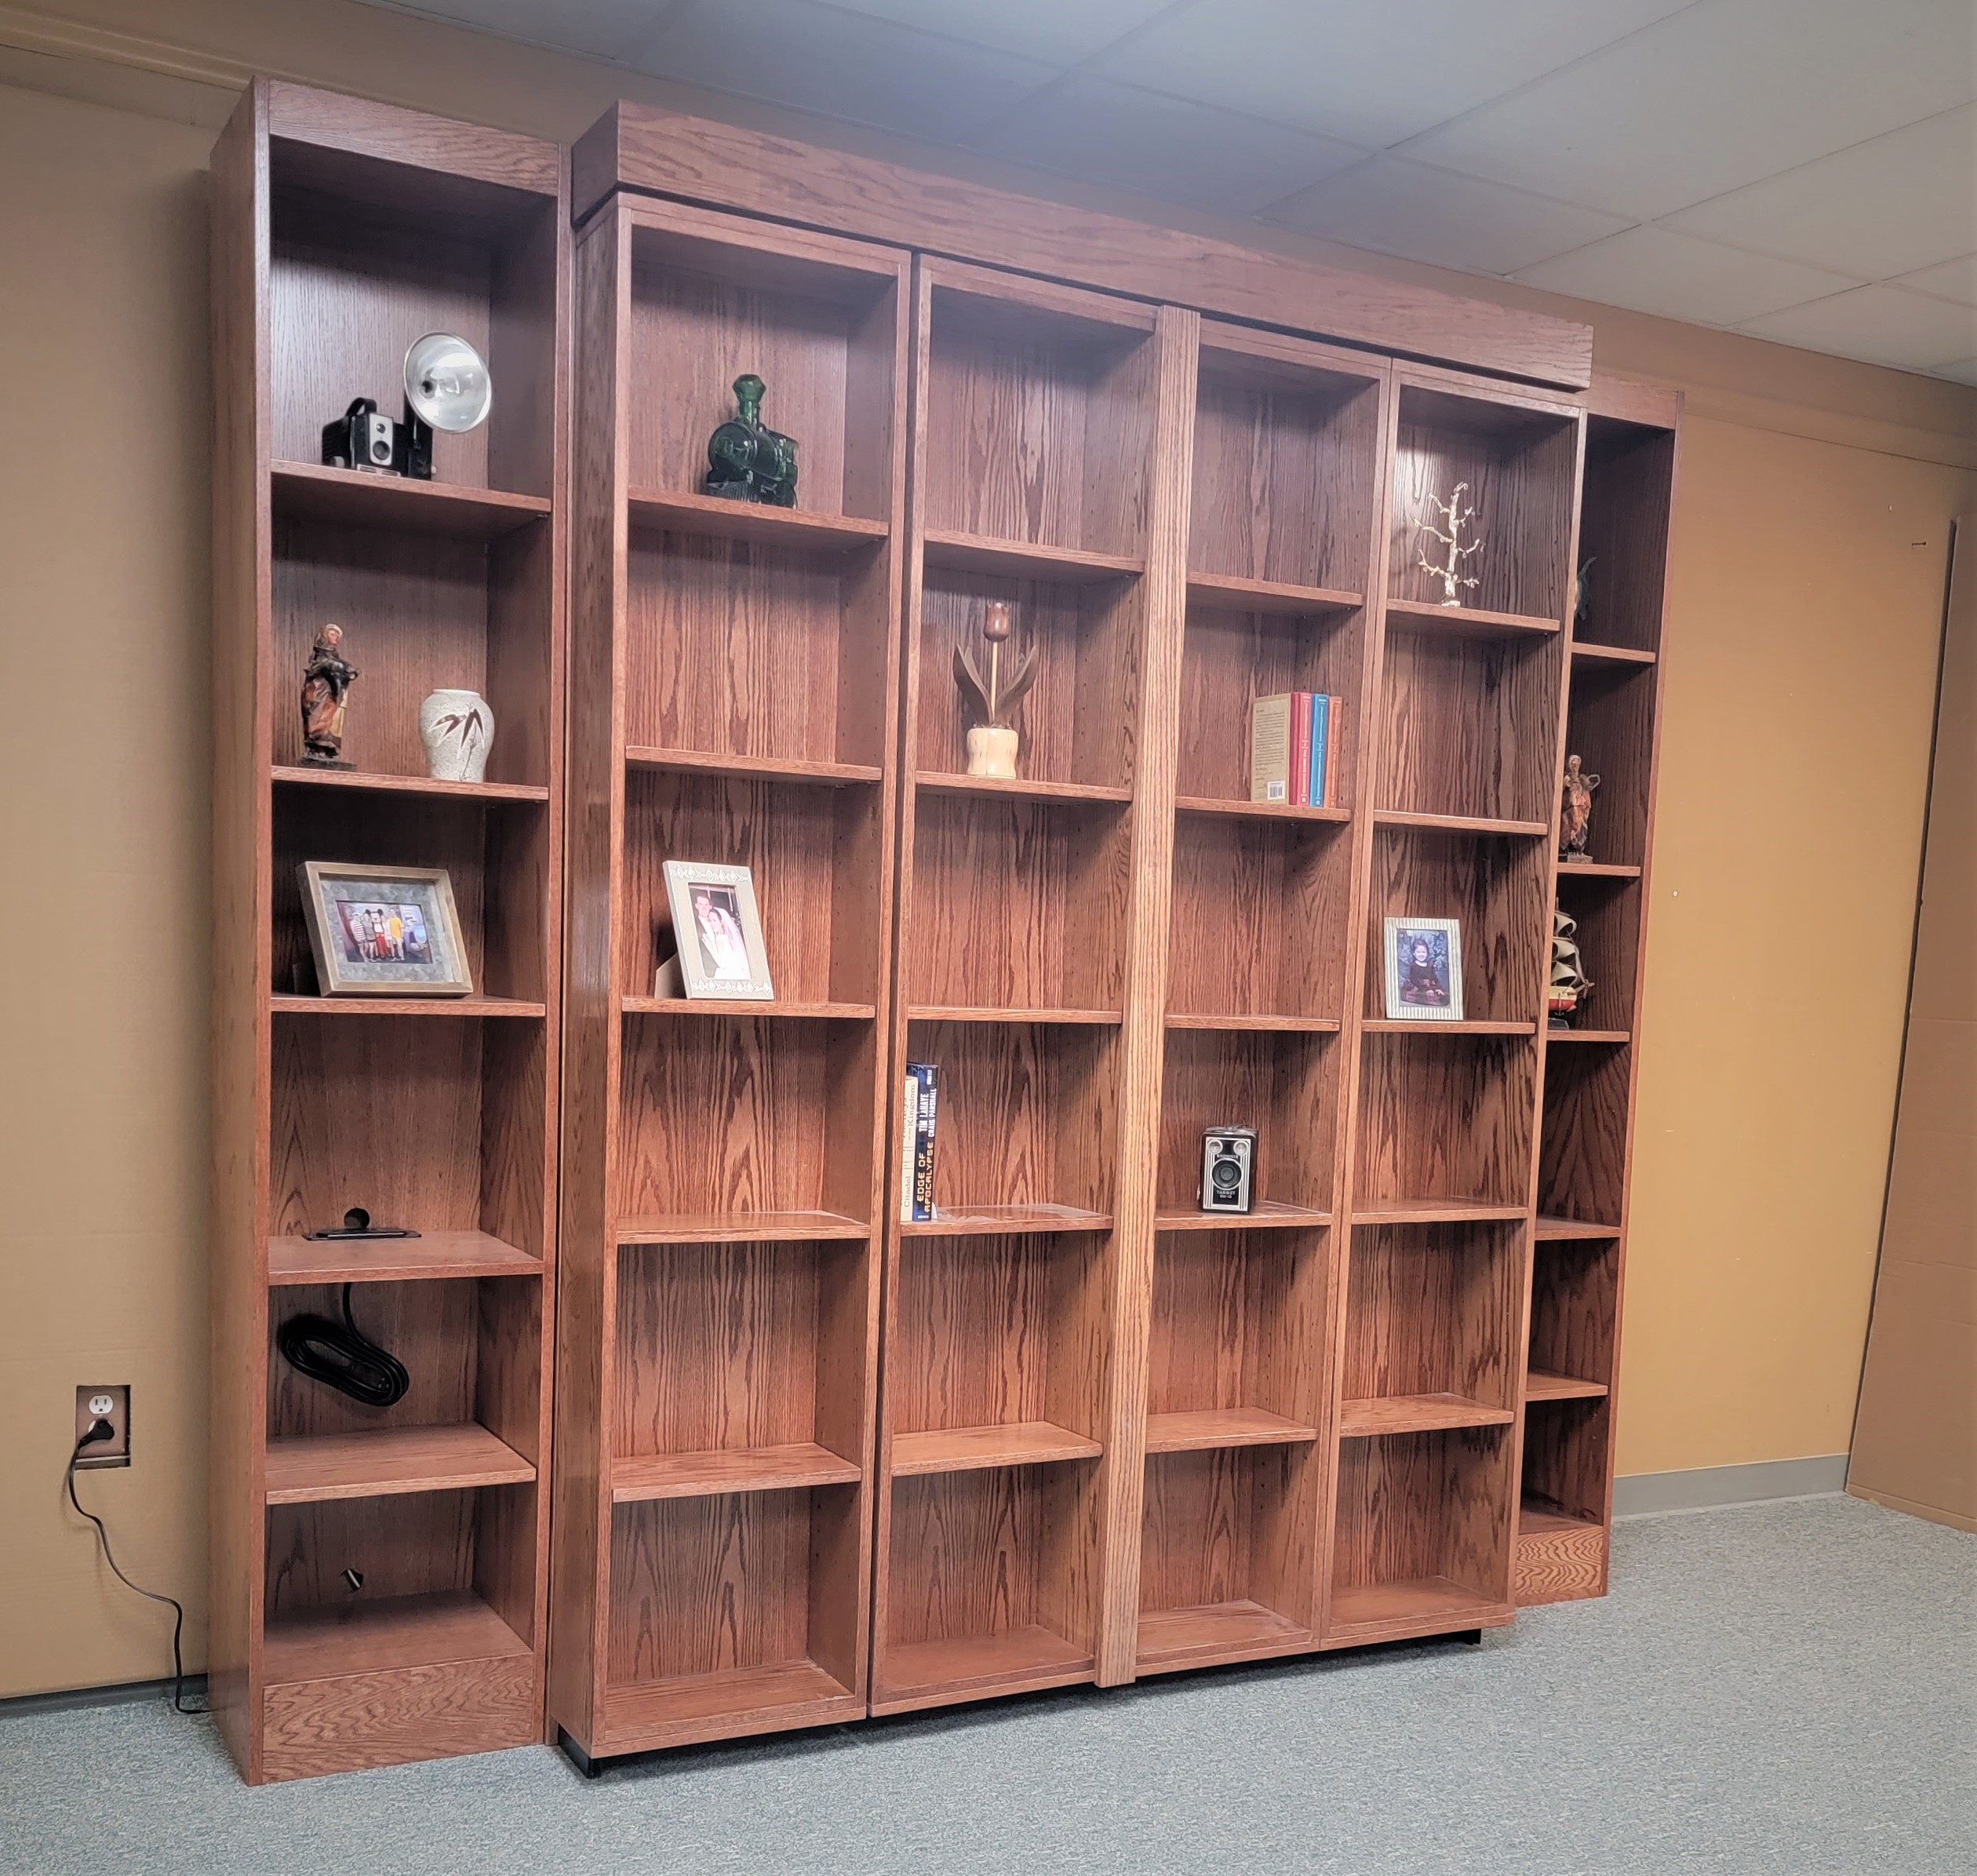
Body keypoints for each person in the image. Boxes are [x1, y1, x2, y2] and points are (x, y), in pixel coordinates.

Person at [693, 887, 750, 980]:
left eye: (706, 904)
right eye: (700, 904)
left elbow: (730, 961)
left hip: (729, 974)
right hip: (709, 974)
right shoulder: (694, 925)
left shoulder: (725, 937)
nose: (703, 907)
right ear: (696, 905)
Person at [1401, 935, 1447, 1005]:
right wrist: (1426, 990)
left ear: (1427, 953)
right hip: (1418, 987)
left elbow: (1435, 978)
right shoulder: (1414, 966)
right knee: (1426, 996)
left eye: (1423, 952)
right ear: (1414, 953)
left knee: (1444, 995)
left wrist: (1438, 988)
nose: (1421, 954)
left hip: (1429, 986)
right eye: (1418, 952)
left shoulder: (1429, 965)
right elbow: (1414, 980)